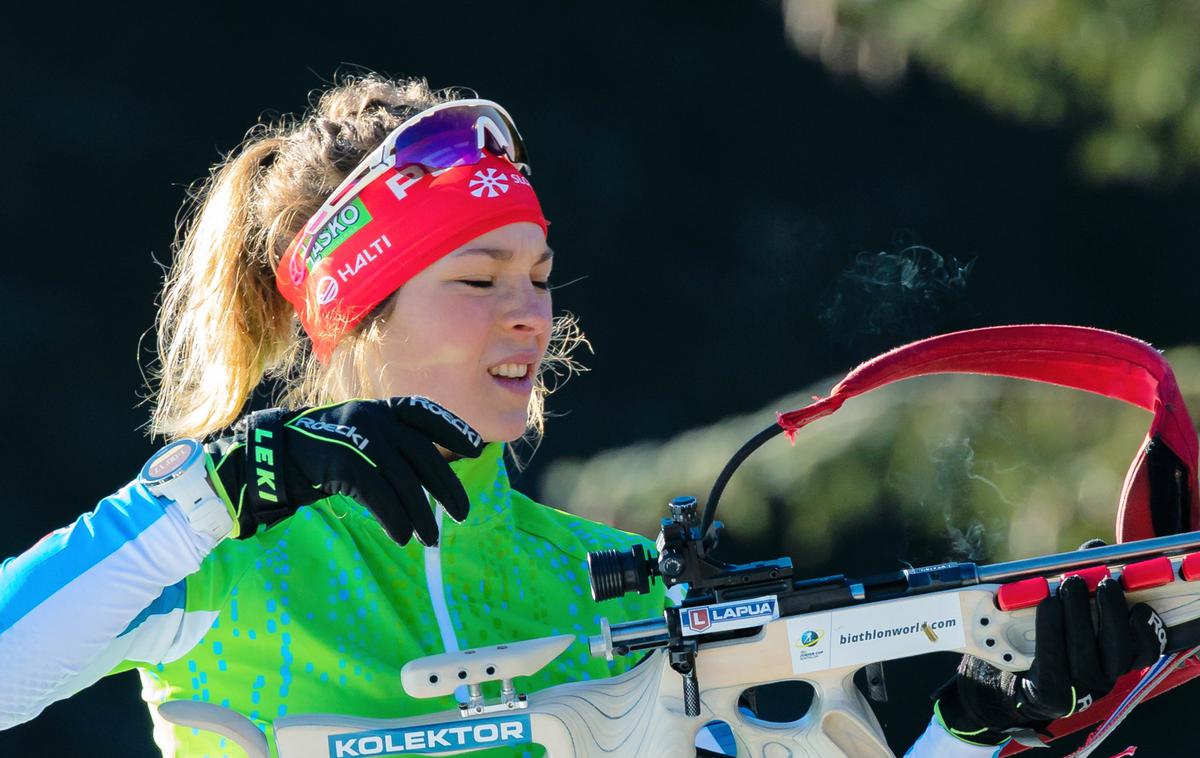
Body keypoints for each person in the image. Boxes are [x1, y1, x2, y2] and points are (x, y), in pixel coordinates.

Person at [0, 74, 1166, 758]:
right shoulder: (229, 562)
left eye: (538, 271)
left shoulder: (610, 579)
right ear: (348, 318)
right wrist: (215, 487)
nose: (530, 315)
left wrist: (982, 727)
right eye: (476, 279)